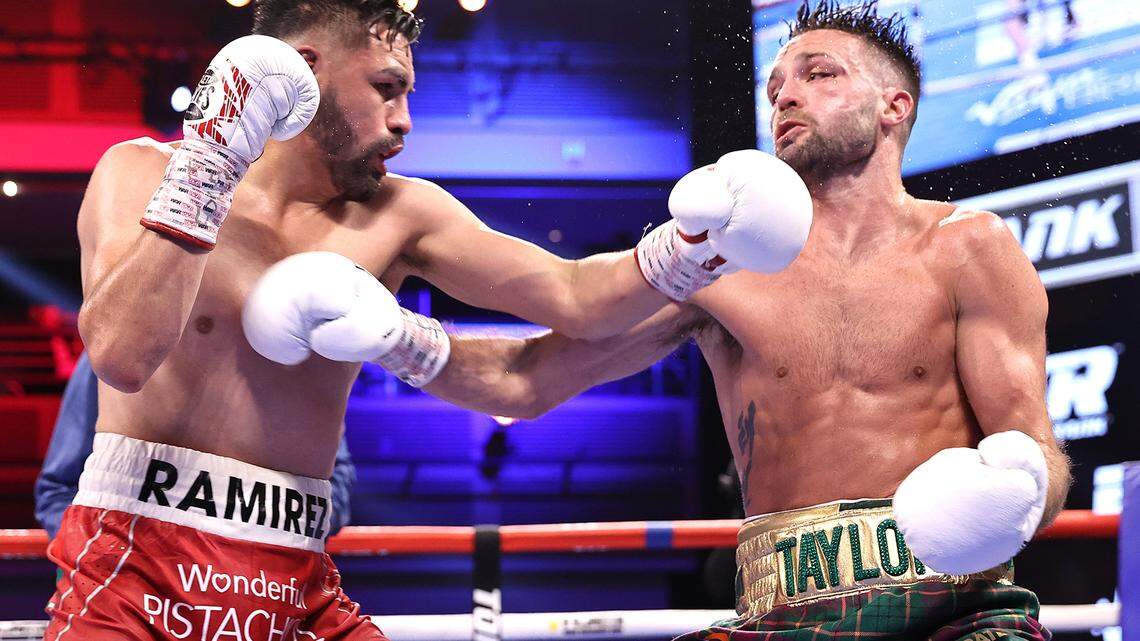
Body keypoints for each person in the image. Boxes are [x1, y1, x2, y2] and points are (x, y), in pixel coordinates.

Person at [50, 0, 810, 638]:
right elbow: (120, 353)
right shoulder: (141, 170)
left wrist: (691, 249)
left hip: (293, 578)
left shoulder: (401, 214)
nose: (405, 119)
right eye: (386, 88)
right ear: (304, 72)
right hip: (136, 569)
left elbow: (577, 297)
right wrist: (208, 167)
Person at [337, 2, 1068, 639]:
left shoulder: (971, 248)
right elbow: (526, 382)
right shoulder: (719, 265)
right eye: (776, 85)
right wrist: (396, 335)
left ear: (893, 107)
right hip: (787, 618)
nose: (786, 97)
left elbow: (1036, 449)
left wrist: (1014, 494)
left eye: (820, 75)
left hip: (959, 614)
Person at [34, 351, 357, 540]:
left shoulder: (298, 357)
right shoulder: (125, 344)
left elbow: (333, 495)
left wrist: (241, 536)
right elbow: (58, 490)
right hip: (136, 597)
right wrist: (112, 555)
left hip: (263, 591)